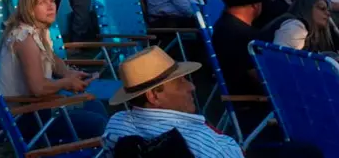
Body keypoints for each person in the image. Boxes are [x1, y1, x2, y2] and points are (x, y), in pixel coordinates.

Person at [0, 0, 109, 140]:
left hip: (36, 108)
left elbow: (53, 59)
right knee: (97, 124)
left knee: (95, 106)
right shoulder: (24, 38)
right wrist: (66, 83)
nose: (51, 6)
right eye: (43, 3)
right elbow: (38, 88)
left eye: (52, 1)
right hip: (21, 116)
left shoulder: (39, 30)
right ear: (29, 8)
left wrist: (68, 73)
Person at [104, 46, 244, 158]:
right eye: (180, 83)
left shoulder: (116, 124)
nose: (192, 87)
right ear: (154, 96)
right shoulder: (204, 143)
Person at [211, 0, 272, 97]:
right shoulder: (247, 37)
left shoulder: (223, 25)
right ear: (255, 5)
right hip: (255, 103)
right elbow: (262, 77)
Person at [266, 0, 335, 54]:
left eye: (328, 10)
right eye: (322, 8)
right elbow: (279, 58)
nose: (328, 13)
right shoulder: (294, 27)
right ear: (306, 9)